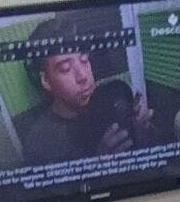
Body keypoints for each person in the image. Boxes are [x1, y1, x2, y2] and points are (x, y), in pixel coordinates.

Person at [11, 16, 157, 166]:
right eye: (65, 69)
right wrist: (97, 165)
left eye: (84, 60)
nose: (83, 76)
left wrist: (142, 134)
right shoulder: (40, 143)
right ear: (46, 81)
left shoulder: (112, 96)